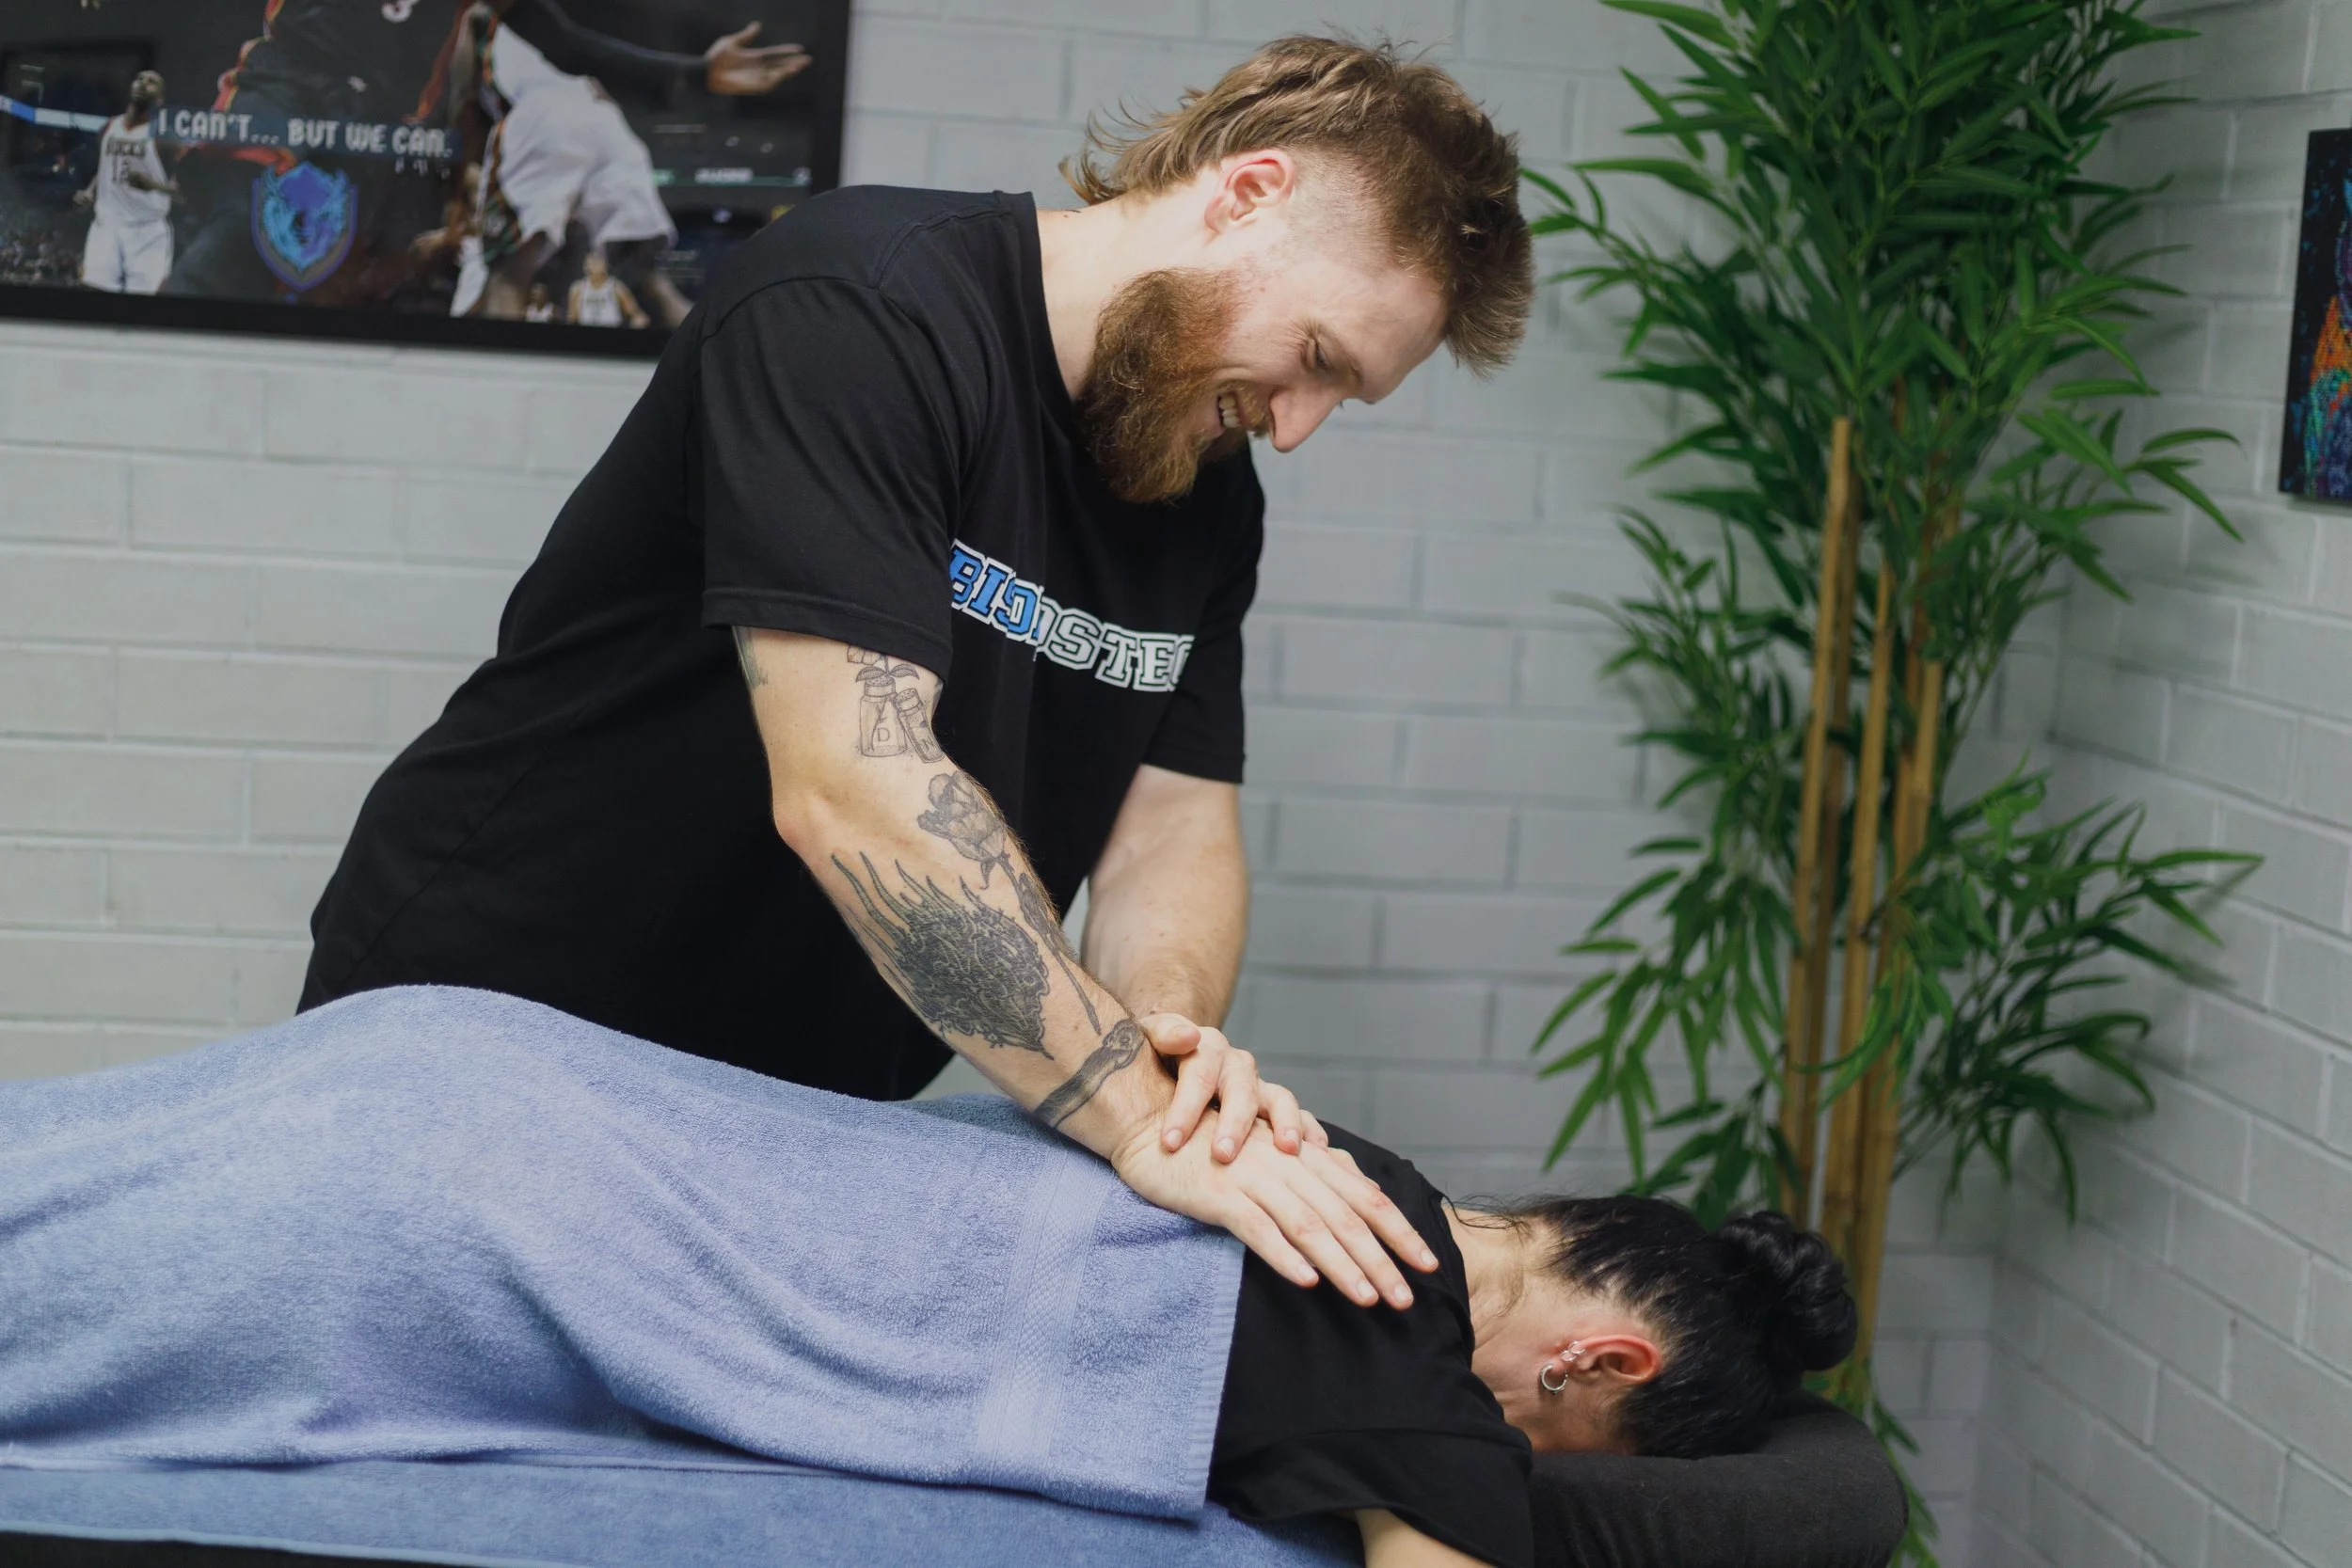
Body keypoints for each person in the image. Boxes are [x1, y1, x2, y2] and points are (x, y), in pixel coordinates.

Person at [299, 36, 1534, 1311]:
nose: (1298, 422)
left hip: (783, 1110)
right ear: (1247, 193)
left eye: (1348, 396)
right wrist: (1136, 1117)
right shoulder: (860, 309)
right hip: (494, 1026)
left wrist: (1169, 1044)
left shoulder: (1206, 495)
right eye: (1320, 357)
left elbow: (1170, 824)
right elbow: (854, 785)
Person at [0, 986, 1860, 1568]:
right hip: (433, 1231)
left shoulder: (1303, 1155)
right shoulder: (1414, 1390)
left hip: (464, 1071)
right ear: (1596, 1353)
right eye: (1576, 1434)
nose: (1531, 1453)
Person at [73, 69, 178, 294]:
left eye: (151, 82)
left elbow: (184, 190)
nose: (143, 84)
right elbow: (104, 168)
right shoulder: (110, 126)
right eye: (139, 79)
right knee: (93, 296)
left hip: (147, 229)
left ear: (159, 99)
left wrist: (154, 186)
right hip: (107, 224)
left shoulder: (166, 137)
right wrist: (90, 192)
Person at [566, 245, 648, 326]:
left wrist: (638, 320)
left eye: (597, 262)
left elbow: (636, 314)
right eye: (590, 263)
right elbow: (571, 317)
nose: (594, 265)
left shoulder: (616, 286)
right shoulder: (577, 288)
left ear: (605, 266)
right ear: (585, 267)